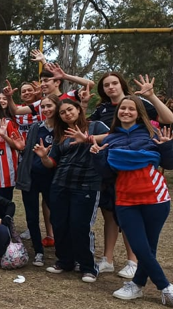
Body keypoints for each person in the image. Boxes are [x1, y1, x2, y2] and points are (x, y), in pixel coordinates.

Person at [89, 95, 173, 308]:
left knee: (148, 247)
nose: (126, 112)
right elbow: (107, 173)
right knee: (141, 247)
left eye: (131, 109)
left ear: (138, 113)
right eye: (123, 108)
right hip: (125, 199)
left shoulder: (153, 133)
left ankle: (138, 285)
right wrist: (97, 156)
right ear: (118, 112)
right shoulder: (110, 138)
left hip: (155, 197)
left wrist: (167, 146)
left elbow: (170, 163)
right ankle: (167, 288)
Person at [35, 98, 109, 283]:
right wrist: (44, 157)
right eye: (63, 112)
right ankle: (65, 260)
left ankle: (87, 267)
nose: (67, 114)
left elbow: (114, 136)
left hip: (86, 184)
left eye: (70, 110)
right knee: (59, 223)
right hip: (60, 183)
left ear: (78, 109)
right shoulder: (61, 133)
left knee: (80, 225)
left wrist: (88, 139)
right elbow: (52, 162)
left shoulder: (95, 126)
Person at [16, 95, 58, 267]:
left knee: (57, 215)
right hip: (32, 178)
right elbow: (28, 152)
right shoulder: (36, 127)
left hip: (53, 179)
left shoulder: (62, 129)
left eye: (50, 106)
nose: (46, 109)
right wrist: (21, 149)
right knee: (32, 217)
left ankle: (62, 251)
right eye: (44, 106)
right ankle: (38, 251)